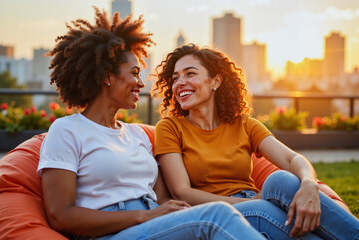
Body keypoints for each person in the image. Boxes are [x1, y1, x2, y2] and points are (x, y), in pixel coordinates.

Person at [37, 8, 267, 240]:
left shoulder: (137, 135)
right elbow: (61, 215)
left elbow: (164, 199)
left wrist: (181, 215)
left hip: (153, 225)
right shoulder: (67, 130)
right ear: (107, 76)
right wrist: (145, 217)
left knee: (275, 188)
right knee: (217, 215)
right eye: (134, 73)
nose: (140, 83)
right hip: (111, 233)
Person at [153, 44, 359, 240]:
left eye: (190, 74)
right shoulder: (170, 127)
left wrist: (309, 184)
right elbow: (182, 192)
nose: (179, 83)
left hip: (256, 200)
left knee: (280, 180)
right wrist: (250, 202)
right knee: (264, 209)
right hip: (218, 211)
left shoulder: (243, 124)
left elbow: (291, 158)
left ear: (215, 81)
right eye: (175, 78)